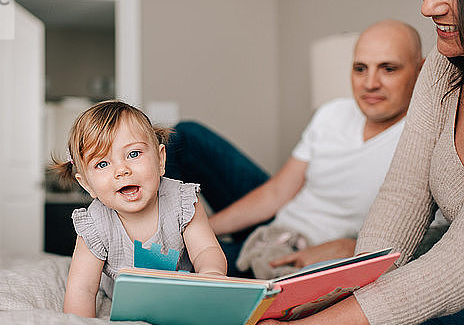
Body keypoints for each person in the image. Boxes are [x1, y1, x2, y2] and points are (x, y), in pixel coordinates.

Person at [206, 0, 464, 325]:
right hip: (278, 235)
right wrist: (342, 294)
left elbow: (450, 267)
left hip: (344, 256)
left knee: (389, 315)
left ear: (412, 69)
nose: (429, 5)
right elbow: (402, 199)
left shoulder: (409, 114)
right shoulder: (441, 72)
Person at [166, 19, 424, 278]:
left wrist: (354, 249)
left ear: (420, 69)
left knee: (178, 266)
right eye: (360, 68)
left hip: (297, 255)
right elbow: (277, 192)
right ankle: (161, 228)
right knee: (186, 136)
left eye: (388, 69)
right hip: (277, 220)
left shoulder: (424, 138)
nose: (370, 83)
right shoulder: (332, 113)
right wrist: (197, 230)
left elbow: (437, 235)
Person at [52, 100, 227, 318]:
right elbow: (83, 289)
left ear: (160, 160)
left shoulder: (182, 202)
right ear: (87, 185)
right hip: (122, 296)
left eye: (133, 154)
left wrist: (211, 273)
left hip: (178, 290)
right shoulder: (96, 223)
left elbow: (205, 250)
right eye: (103, 164)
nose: (122, 170)